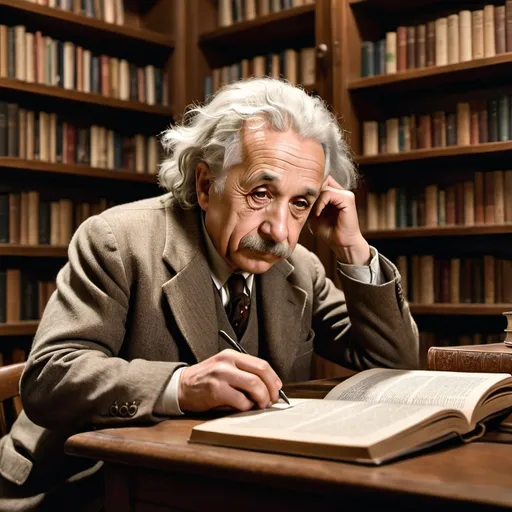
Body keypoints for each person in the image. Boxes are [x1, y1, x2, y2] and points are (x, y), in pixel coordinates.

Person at [0, 78, 419, 511]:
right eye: (261, 193)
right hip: (76, 486)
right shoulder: (117, 240)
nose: (279, 230)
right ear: (205, 185)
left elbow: (394, 363)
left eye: (300, 203)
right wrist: (181, 385)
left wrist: (353, 248)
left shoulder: (301, 268)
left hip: (212, 480)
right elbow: (50, 377)